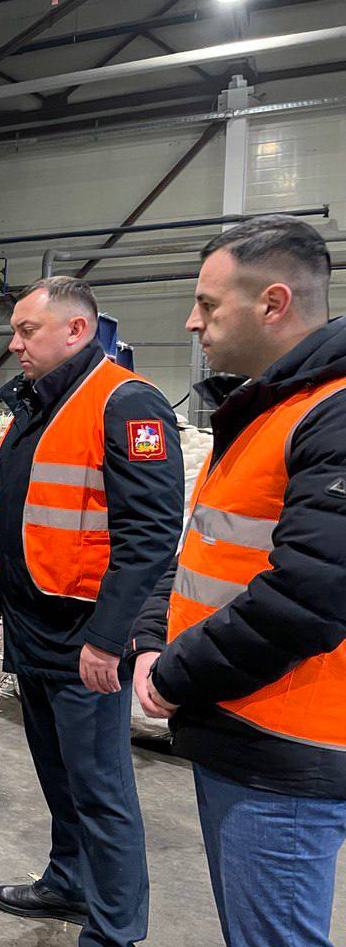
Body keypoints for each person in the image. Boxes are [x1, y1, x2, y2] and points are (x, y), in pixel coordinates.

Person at [129, 215, 346, 947]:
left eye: (208, 305)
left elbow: (310, 597)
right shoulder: (269, 409)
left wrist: (177, 672)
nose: (192, 323)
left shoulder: (332, 414)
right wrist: (151, 636)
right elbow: (205, 552)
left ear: (274, 303)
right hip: (237, 722)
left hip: (283, 751)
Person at [0, 277, 183, 947]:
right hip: (33, 625)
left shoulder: (126, 403)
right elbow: (14, 504)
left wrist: (108, 637)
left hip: (83, 636)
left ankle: (115, 930)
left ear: (77, 331)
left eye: (26, 331)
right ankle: (69, 881)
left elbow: (150, 535)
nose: (13, 345)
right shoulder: (35, 404)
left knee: (100, 790)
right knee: (56, 771)